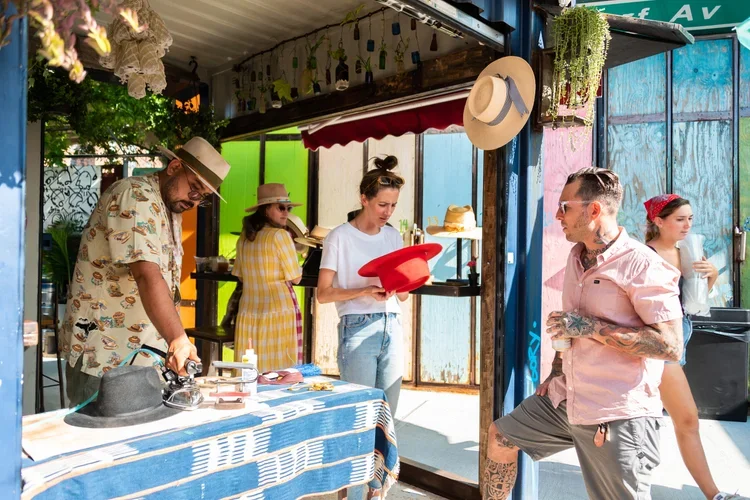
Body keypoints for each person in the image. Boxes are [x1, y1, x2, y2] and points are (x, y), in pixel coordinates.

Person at [483, 167, 685, 499]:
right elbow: (570, 327)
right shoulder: (577, 257)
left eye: (566, 207)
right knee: (502, 435)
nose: (557, 214)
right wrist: (556, 370)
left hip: (616, 412)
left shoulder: (643, 265)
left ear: (594, 210)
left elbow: (670, 345)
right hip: (566, 397)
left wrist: (590, 327)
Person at [61, 137, 231, 406]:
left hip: (138, 356)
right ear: (174, 167)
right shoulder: (136, 195)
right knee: (98, 444)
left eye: (203, 196)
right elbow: (146, 275)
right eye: (194, 188)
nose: (195, 200)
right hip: (104, 354)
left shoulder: (167, 207)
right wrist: (178, 338)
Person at [317, 155, 407, 500]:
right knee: (358, 416)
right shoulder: (339, 237)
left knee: (386, 419)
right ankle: (345, 492)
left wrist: (402, 285)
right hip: (357, 327)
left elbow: (403, 293)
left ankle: (375, 492)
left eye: (393, 205)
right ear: (364, 198)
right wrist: (364, 291)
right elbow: (323, 294)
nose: (387, 211)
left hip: (392, 324)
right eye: (382, 203)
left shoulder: (393, 236)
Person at [644, 195, 745, 500]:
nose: (687, 225)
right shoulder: (644, 256)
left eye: (690, 219)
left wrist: (709, 278)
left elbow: (691, 303)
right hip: (657, 344)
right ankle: (714, 495)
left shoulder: (685, 252)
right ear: (658, 221)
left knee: (670, 419)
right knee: (685, 419)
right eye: (679, 219)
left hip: (679, 338)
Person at [232, 183, 302, 372]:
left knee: (248, 373)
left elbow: (240, 275)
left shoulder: (245, 237)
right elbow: (295, 278)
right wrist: (302, 256)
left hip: (249, 310)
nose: (286, 212)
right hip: (278, 311)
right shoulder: (281, 236)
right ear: (265, 210)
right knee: (279, 373)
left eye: (288, 208)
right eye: (281, 208)